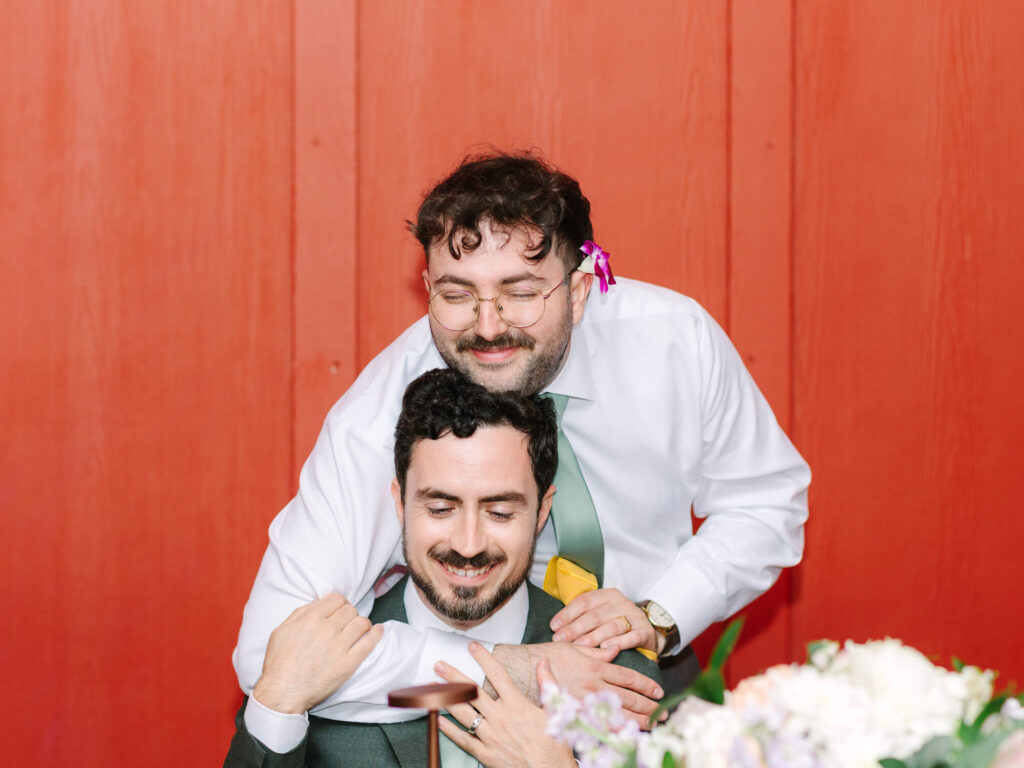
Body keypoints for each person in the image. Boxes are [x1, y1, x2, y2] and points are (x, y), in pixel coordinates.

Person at [233, 151, 810, 723]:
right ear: (427, 285)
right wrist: (519, 671)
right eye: (457, 294)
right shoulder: (377, 415)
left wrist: (660, 615)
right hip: (459, 688)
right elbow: (271, 660)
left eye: (522, 292)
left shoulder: (676, 342)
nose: (488, 326)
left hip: (650, 671)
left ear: (580, 291)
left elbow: (765, 503)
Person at [224, 369, 660, 767]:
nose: (468, 546)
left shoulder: (616, 674)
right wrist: (275, 703)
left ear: (543, 510)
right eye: (439, 508)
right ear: (399, 502)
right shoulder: (314, 658)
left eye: (500, 513)